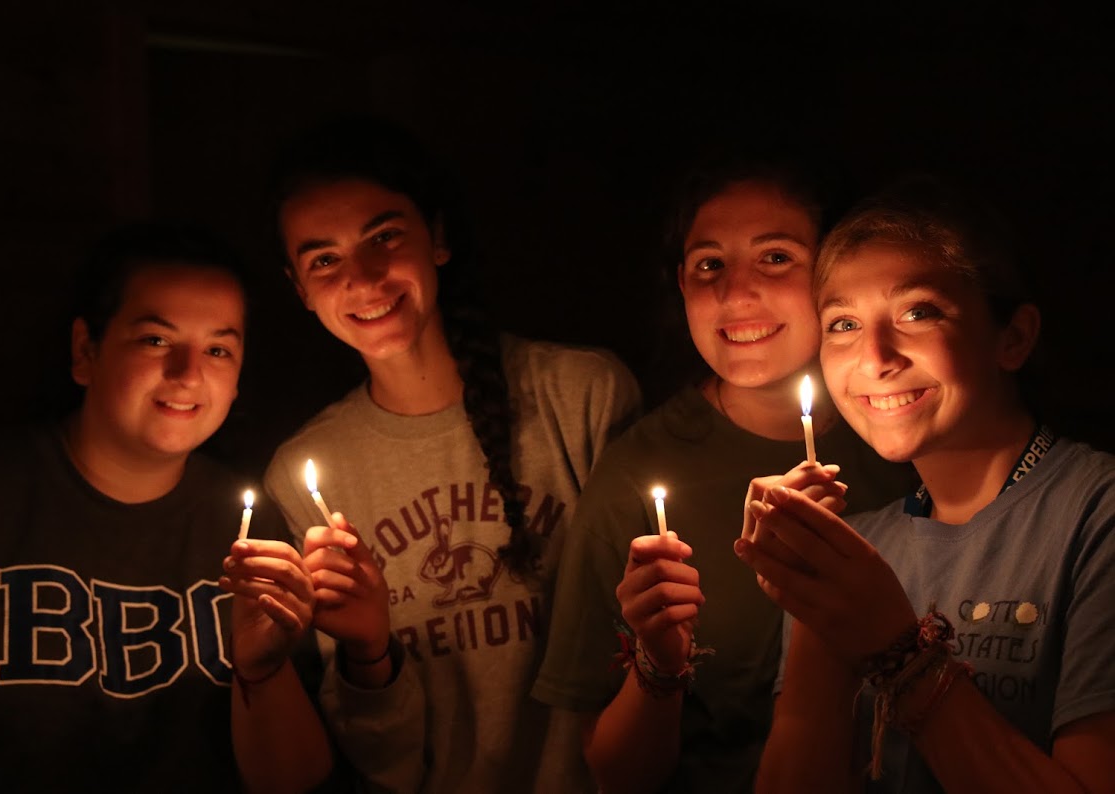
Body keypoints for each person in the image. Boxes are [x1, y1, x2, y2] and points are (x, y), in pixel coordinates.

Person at [238, 114, 643, 794]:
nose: (363, 277)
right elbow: (384, 759)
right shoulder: (306, 470)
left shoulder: (582, 396)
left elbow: (652, 653)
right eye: (324, 260)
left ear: (439, 238)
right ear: (300, 289)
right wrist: (369, 649)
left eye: (384, 237)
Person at [532, 151, 917, 792]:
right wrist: (659, 664)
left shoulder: (907, 430)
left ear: (836, 269)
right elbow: (615, 772)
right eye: (709, 265)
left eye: (776, 257)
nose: (735, 294)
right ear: (680, 286)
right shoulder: (636, 476)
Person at [735, 173, 1115, 793]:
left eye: (919, 312)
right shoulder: (855, 548)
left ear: (1013, 337)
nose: (876, 357)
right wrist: (815, 604)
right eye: (843, 324)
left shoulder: (1096, 515)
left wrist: (898, 650)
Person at [0, 221, 300, 791]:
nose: (187, 374)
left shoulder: (253, 532)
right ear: (86, 350)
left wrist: (265, 672)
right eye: (155, 340)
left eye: (218, 349)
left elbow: (296, 780)